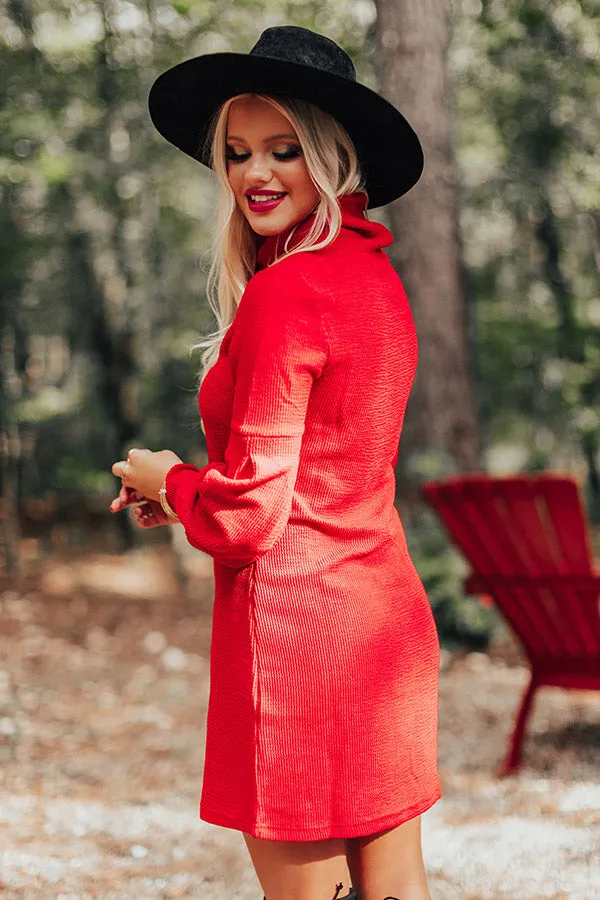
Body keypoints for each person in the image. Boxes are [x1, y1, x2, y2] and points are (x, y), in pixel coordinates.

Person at [110, 25, 441, 900]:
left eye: (285, 150)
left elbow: (249, 520)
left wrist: (167, 479)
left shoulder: (287, 292)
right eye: (238, 151)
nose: (257, 174)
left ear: (332, 157)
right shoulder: (375, 277)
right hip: (383, 627)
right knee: (397, 889)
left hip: (296, 636)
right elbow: (325, 469)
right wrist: (188, 497)